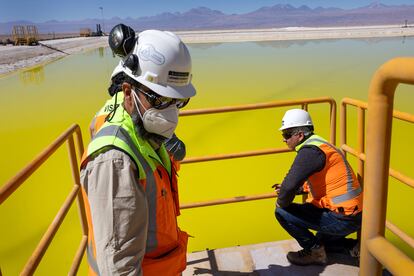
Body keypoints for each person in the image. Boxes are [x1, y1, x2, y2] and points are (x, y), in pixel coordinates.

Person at [80, 28, 196, 275]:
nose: (171, 112)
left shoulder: (134, 115)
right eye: (159, 99)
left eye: (178, 102)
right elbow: (119, 267)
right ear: (128, 91)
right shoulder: (114, 161)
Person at [273, 109, 363, 266]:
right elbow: (324, 181)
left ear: (300, 135)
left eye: (287, 135)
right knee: (320, 239)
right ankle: (353, 247)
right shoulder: (320, 145)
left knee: (281, 212)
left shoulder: (310, 152)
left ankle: (315, 253)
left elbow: (288, 187)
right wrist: (300, 190)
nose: (284, 140)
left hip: (342, 218)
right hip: (353, 215)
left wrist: (283, 201)